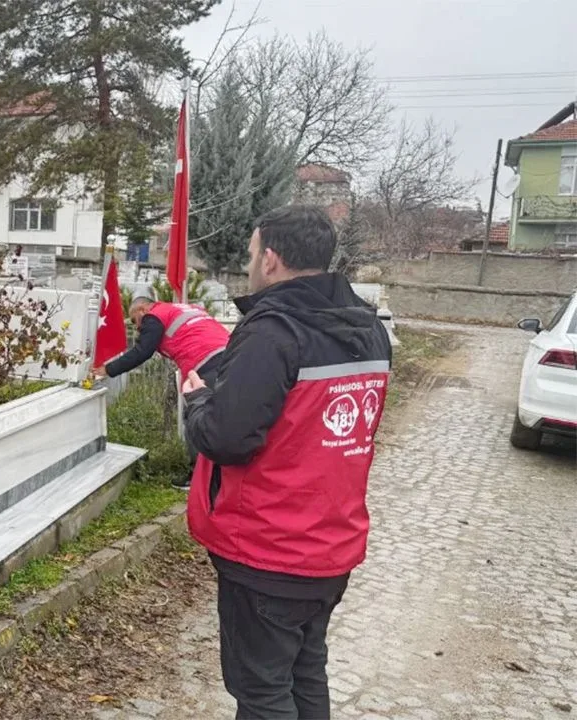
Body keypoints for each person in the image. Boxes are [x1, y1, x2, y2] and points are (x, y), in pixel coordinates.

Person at [180, 206, 391, 720]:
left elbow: (227, 438)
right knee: (304, 672)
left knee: (262, 692)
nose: (250, 264)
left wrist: (198, 400)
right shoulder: (368, 329)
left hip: (267, 549)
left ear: (270, 259)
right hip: (330, 542)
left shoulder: (273, 332)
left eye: (252, 254)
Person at [94, 286, 230, 490]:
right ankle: (223, 476)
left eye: (135, 321)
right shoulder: (181, 309)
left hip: (204, 361)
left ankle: (199, 478)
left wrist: (107, 369)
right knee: (222, 417)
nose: (137, 328)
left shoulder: (153, 316)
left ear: (142, 309)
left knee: (196, 417)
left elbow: (142, 352)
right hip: (230, 354)